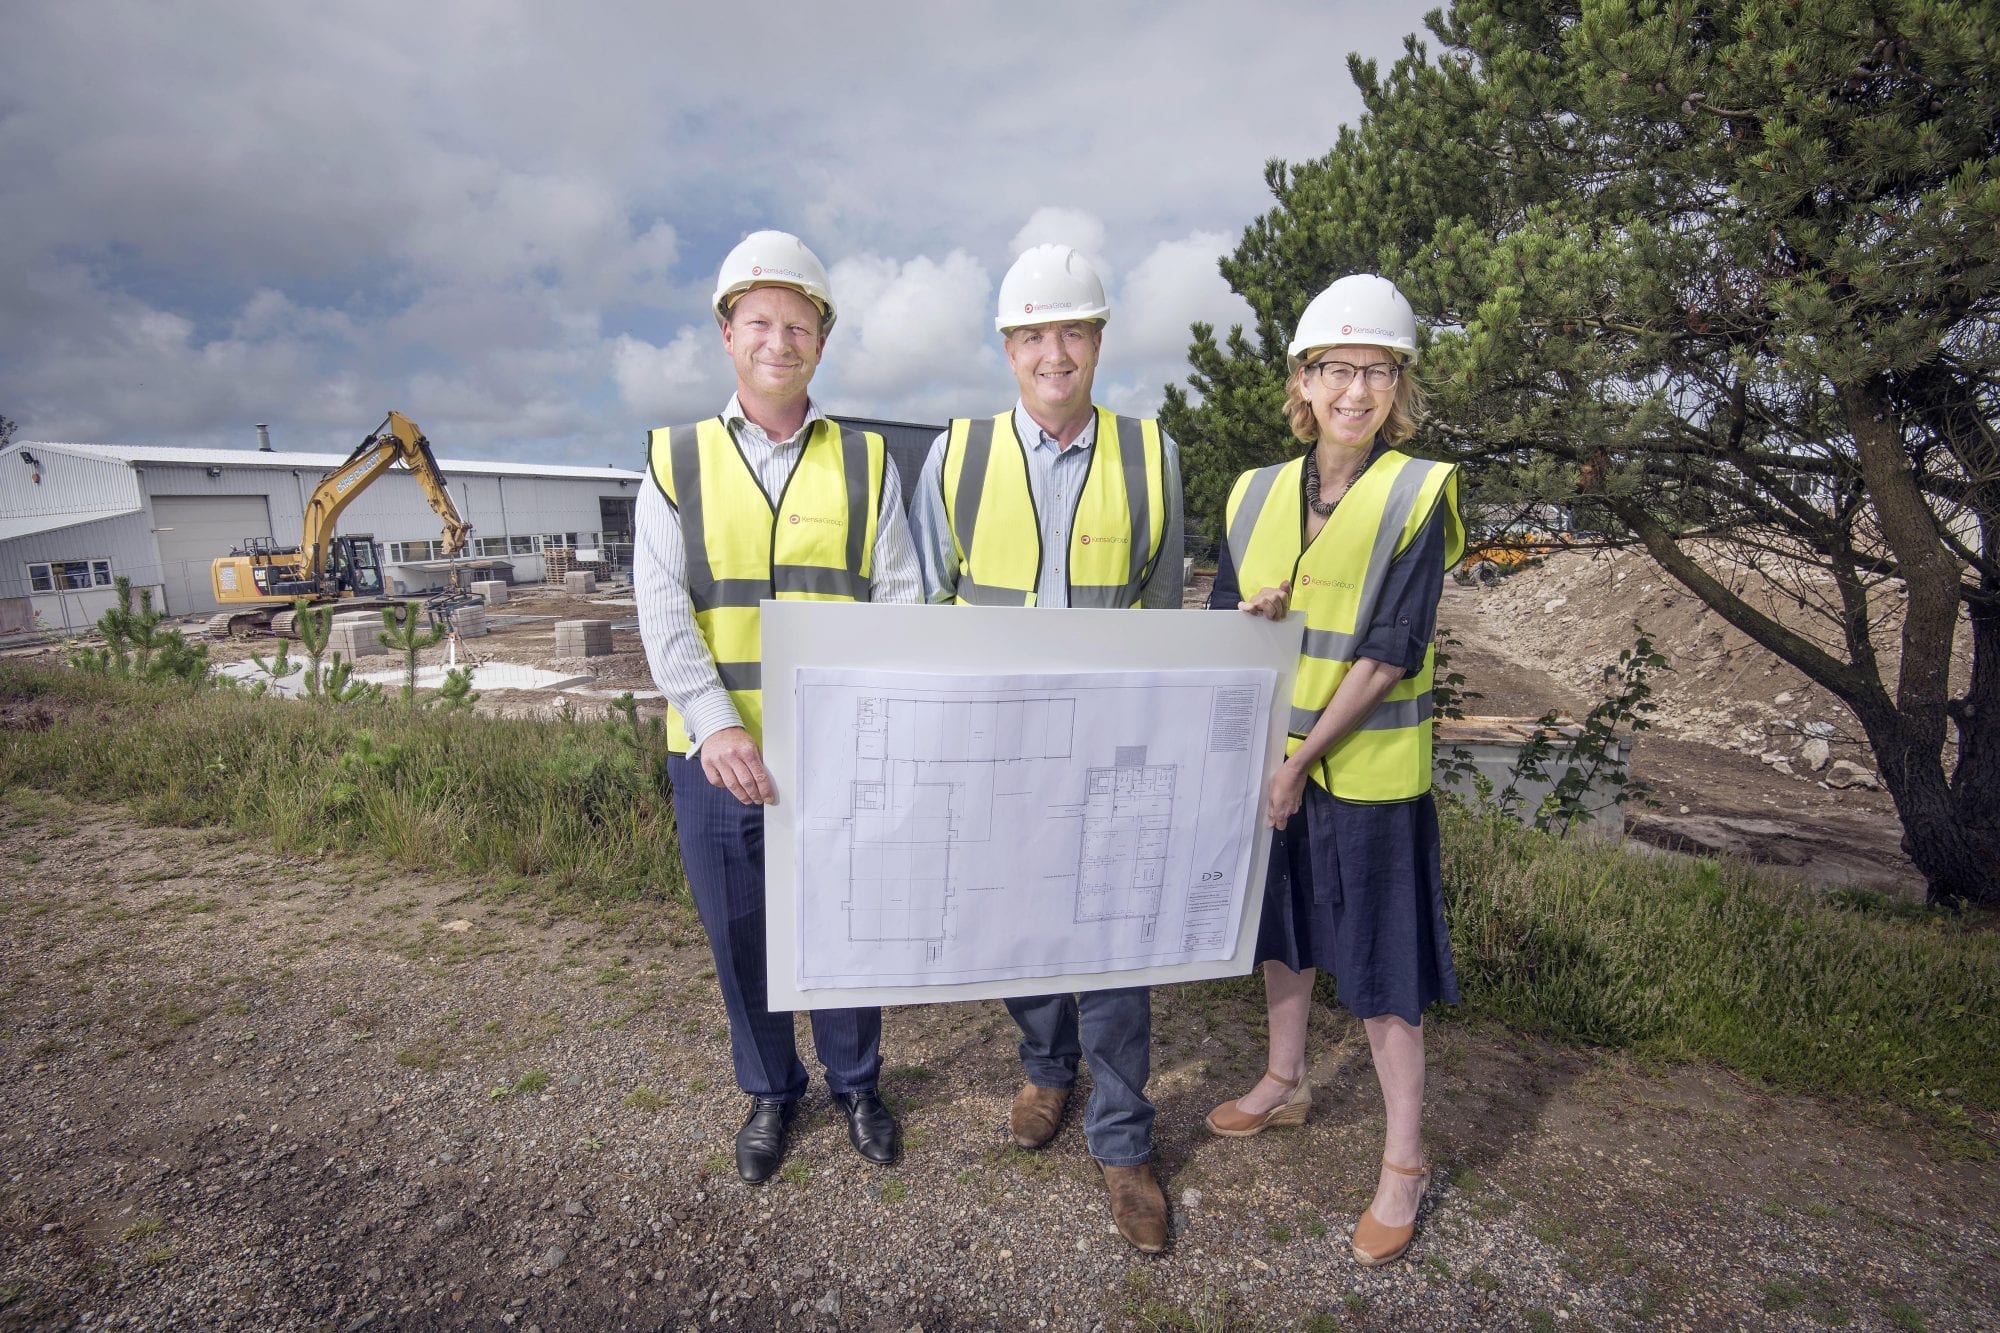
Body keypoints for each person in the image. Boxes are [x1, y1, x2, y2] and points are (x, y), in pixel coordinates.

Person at [907, 243, 1185, 1253]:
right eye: (1032, 335)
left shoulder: (1150, 455)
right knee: (1018, 924)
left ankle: (1121, 1140)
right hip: (998, 752)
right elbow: (927, 604)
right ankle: (1044, 1067)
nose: (1052, 353)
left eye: (1071, 331)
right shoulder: (957, 453)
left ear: (1098, 341)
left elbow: (1160, 614)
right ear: (1007, 347)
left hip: (1110, 750)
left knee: (1112, 948)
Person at [636, 230, 923, 1184]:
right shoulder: (675, 459)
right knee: (742, 928)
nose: (779, 339)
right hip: (714, 756)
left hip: (837, 753)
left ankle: (855, 1082)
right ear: (727, 332)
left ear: (821, 341)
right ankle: (770, 1090)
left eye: (799, 323)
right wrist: (715, 723)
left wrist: (865, 730)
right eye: (759, 320)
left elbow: (901, 601)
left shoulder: (868, 461)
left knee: (845, 922)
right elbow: (664, 608)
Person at [1205, 273, 1464, 1267]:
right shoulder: (1252, 493)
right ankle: (1286, 1080)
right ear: (1302, 382)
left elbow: (1390, 647)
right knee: (1286, 930)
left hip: (1365, 774)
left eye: (1377, 370)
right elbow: (1225, 628)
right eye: (1336, 369)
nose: (1355, 389)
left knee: (1382, 968)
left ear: (1397, 388)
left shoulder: (1416, 491)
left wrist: (1298, 761)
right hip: (1274, 768)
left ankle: (1402, 1163)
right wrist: (1248, 618)